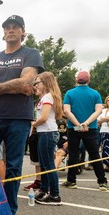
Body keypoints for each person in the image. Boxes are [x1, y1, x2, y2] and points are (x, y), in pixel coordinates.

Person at [0, 15, 44, 215]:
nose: (11, 30)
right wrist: (15, 86)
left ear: (23, 31)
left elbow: (26, 82)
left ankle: (8, 214)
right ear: (3, 32)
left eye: (16, 27)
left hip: (19, 117)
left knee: (14, 166)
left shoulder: (30, 54)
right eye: (7, 27)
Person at [62, 71, 108, 191]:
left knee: (73, 153)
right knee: (94, 154)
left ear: (76, 80)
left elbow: (66, 111)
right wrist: (86, 123)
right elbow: (98, 111)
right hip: (91, 127)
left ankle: (71, 180)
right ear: (89, 80)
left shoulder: (69, 93)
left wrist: (78, 124)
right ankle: (102, 182)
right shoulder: (95, 94)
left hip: (73, 127)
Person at [31, 72, 63, 205]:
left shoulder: (48, 97)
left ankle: (55, 195)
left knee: (49, 164)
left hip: (48, 133)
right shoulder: (44, 97)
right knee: (43, 164)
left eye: (37, 83)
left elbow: (44, 118)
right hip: (44, 132)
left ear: (46, 83)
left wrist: (33, 123)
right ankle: (44, 190)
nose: (35, 86)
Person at [97, 96, 109, 171]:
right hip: (103, 131)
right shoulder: (104, 111)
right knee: (105, 148)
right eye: (107, 100)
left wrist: (103, 119)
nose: (108, 101)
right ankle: (107, 165)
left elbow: (102, 119)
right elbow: (98, 120)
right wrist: (104, 119)